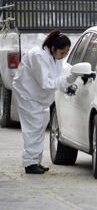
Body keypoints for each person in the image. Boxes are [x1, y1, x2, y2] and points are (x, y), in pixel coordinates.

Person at [12, 30, 77, 174]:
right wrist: (67, 81)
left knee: (39, 128)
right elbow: (46, 82)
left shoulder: (55, 58)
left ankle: (35, 161)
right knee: (33, 129)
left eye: (66, 52)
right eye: (62, 52)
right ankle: (30, 164)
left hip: (39, 98)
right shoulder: (38, 56)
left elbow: (58, 78)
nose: (64, 56)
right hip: (28, 96)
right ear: (53, 48)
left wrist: (67, 85)